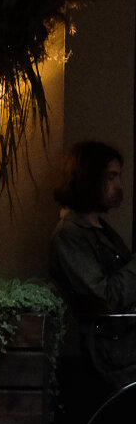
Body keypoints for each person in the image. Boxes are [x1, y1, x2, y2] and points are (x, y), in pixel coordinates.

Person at [49, 140, 136, 388]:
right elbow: (105, 298)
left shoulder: (100, 229)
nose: (119, 186)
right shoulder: (70, 234)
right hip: (105, 349)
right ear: (89, 178)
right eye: (111, 176)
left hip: (121, 339)